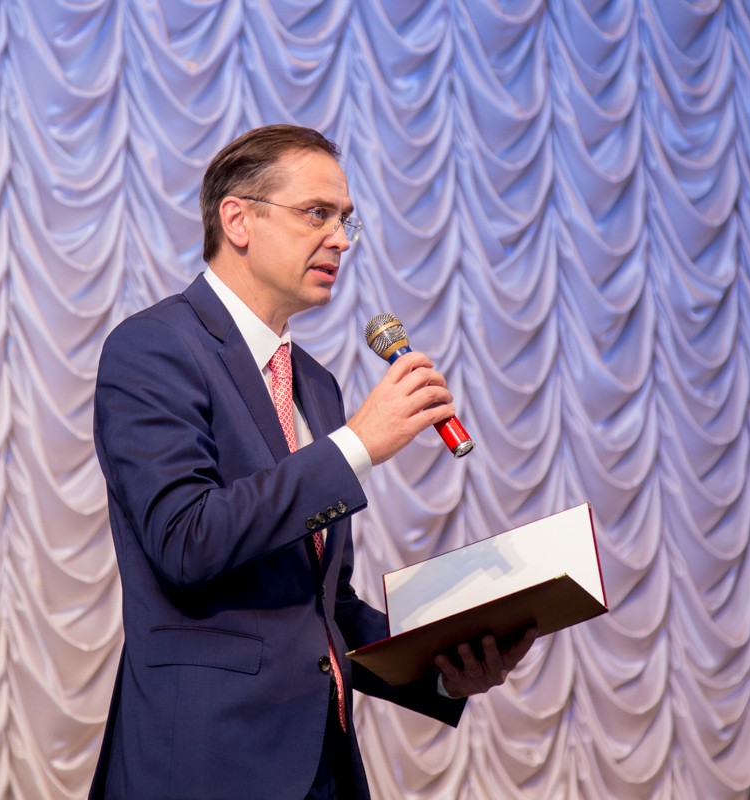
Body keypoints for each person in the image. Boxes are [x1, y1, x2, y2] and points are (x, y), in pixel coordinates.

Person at [89, 124, 538, 799]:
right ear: (238, 220)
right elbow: (186, 540)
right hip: (204, 763)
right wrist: (357, 445)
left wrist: (442, 669)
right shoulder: (154, 346)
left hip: (323, 768)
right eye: (316, 213)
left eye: (345, 219)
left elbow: (322, 607)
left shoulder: (317, 385)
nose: (341, 240)